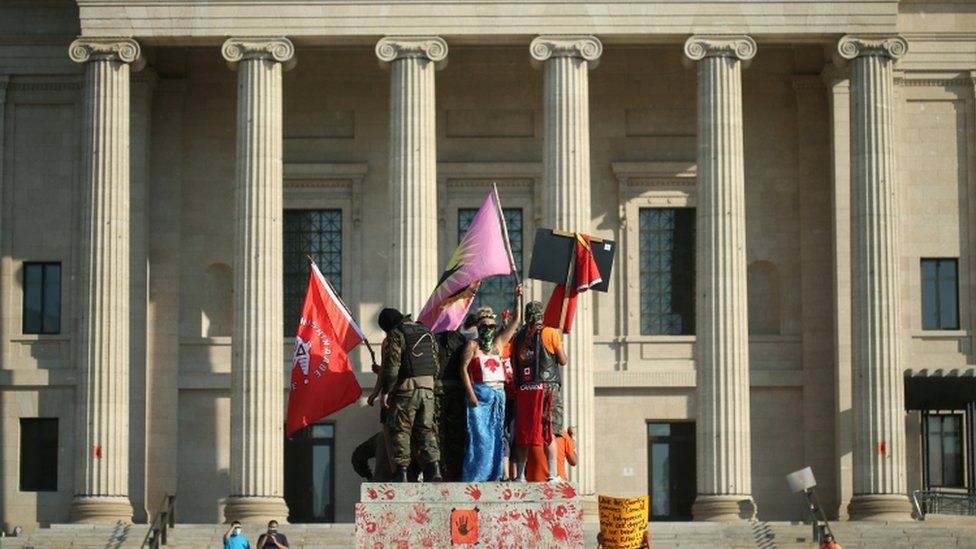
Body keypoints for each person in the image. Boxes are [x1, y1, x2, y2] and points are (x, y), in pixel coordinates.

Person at [460, 285, 522, 481]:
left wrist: (517, 298)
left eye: (491, 326)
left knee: (496, 436)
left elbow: (516, 321)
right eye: (485, 326)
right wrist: (470, 393)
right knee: (480, 437)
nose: (489, 329)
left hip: (499, 396)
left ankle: (495, 474)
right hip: (480, 395)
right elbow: (462, 369)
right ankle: (477, 474)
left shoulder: (498, 344)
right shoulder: (472, 345)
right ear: (479, 327)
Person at [378, 308, 442, 482]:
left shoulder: (396, 334)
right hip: (428, 390)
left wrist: (386, 392)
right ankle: (433, 469)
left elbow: (392, 368)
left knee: (401, 430)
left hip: (407, 391)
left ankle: (401, 473)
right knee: (426, 430)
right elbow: (436, 365)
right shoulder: (427, 331)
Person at [512, 301, 568, 482]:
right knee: (549, 430)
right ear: (541, 315)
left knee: (524, 432)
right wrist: (559, 341)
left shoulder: (518, 337)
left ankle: (520, 475)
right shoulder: (550, 333)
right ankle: (553, 474)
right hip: (547, 388)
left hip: (525, 390)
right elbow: (562, 360)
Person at [435, 314, 477, 481]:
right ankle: (455, 470)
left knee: (440, 433)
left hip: (440, 389)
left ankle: (442, 469)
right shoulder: (464, 341)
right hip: (458, 390)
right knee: (457, 433)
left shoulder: (434, 341)